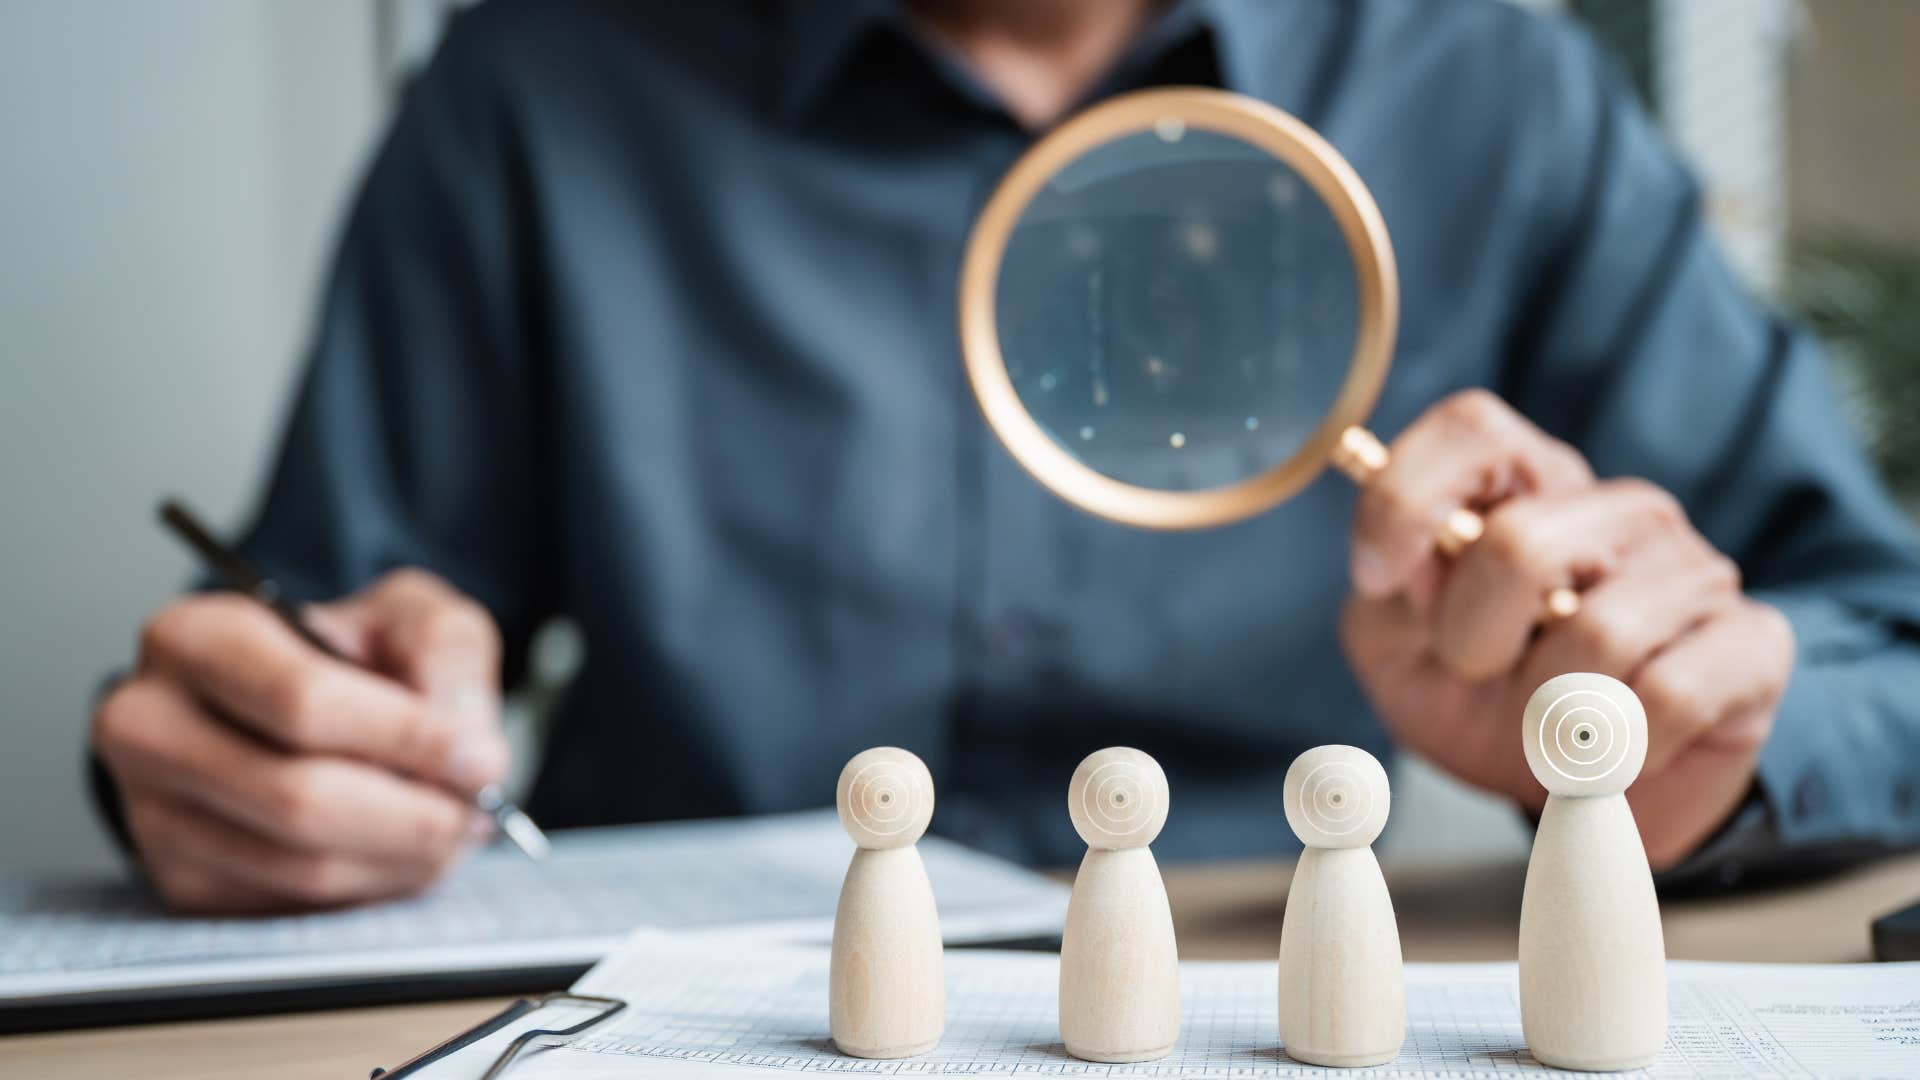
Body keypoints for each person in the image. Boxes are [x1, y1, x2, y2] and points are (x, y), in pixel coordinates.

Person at [89, 0, 1920, 913]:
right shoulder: (538, 82)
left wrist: (1700, 751)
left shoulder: (1488, 75)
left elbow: (1881, 644)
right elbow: (309, 634)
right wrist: (262, 753)